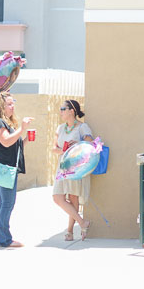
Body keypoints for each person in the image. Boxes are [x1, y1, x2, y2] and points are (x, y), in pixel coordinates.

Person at [0, 92, 33, 248]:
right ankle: (5, 239)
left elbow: (14, 145)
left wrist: (26, 139)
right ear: (1, 106)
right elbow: (6, 142)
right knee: (7, 203)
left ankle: (1, 237)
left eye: (13, 102)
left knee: (4, 203)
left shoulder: (6, 122)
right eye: (9, 104)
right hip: (5, 168)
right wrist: (22, 128)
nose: (12, 106)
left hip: (8, 168)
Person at [51, 99, 92, 241]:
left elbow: (90, 143)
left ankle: (69, 231)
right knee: (57, 197)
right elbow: (53, 148)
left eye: (63, 108)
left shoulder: (82, 127)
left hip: (75, 166)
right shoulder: (60, 128)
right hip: (62, 166)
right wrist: (64, 149)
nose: (61, 111)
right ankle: (82, 223)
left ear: (72, 111)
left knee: (73, 197)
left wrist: (78, 144)